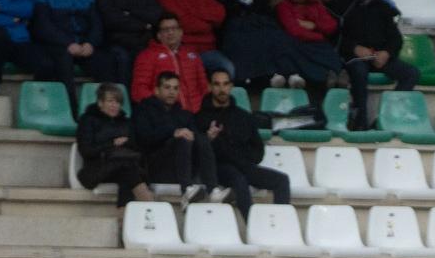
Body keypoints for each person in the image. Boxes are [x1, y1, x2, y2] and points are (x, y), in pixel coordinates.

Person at [336, 0, 418, 128]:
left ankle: (385, 117)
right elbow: (336, 36)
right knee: (359, 73)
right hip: (355, 57)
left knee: (411, 74)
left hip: (379, 57)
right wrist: (355, 48)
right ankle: (361, 123)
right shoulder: (343, 6)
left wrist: (386, 53)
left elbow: (395, 39)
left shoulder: (384, 8)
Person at [197, 67, 287, 215]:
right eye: (217, 84)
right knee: (239, 180)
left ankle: (281, 225)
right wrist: (209, 139)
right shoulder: (201, 117)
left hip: (244, 166)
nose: (222, 89)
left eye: (225, 84)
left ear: (231, 86)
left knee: (282, 181)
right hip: (219, 169)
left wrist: (244, 158)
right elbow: (199, 152)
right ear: (210, 87)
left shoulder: (244, 116)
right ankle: (253, 228)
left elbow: (258, 151)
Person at [131, 69, 218, 205]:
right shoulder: (143, 110)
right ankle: (187, 190)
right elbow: (143, 138)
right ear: (157, 90)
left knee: (199, 138)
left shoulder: (184, 114)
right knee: (182, 139)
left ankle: (213, 190)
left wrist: (207, 137)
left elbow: (195, 138)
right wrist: (172, 132)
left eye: (176, 88)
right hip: (154, 166)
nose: (172, 92)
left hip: (182, 166)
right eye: (167, 87)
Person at [74, 82, 152, 206]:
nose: (114, 105)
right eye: (110, 101)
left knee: (128, 174)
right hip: (95, 169)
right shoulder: (88, 120)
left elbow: (138, 147)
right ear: (100, 103)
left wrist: (127, 142)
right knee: (130, 172)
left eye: (117, 102)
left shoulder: (126, 122)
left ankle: (124, 219)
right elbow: (86, 150)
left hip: (124, 166)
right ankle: (151, 208)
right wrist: (111, 144)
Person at [156, 0, 233, 81]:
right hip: (182, 50)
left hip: (208, 50)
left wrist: (193, 14)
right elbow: (185, 23)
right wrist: (206, 22)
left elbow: (220, 15)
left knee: (228, 69)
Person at [273, 0, 345, 87]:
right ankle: (328, 76)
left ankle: (336, 75)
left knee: (327, 51)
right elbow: (295, 30)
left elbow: (332, 25)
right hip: (297, 43)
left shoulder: (315, 3)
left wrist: (314, 25)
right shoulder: (283, 6)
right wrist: (320, 35)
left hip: (317, 43)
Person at [131, 14, 210, 110]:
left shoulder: (193, 55)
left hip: (196, 114)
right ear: (159, 35)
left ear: (181, 32)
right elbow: (138, 91)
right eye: (165, 30)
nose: (170, 32)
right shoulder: (147, 56)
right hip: (164, 115)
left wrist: (204, 109)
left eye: (174, 28)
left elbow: (204, 87)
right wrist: (161, 107)